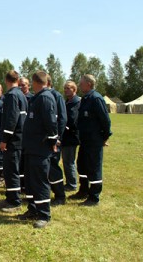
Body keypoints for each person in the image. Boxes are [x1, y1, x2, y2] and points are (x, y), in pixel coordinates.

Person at [19, 71, 58, 229]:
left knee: (40, 182)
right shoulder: (37, 98)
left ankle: (44, 215)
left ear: (35, 82)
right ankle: (33, 209)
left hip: (40, 149)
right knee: (30, 181)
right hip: (31, 148)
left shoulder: (46, 98)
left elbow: (51, 123)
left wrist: (52, 141)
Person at [71, 74, 112, 206]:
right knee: (82, 165)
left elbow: (105, 120)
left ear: (89, 84)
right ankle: (84, 190)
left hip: (94, 140)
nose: (79, 85)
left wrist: (103, 137)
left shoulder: (96, 98)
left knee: (94, 168)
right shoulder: (85, 98)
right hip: (84, 139)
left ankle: (94, 197)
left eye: (81, 83)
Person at [0, 70, 28, 212]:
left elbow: (11, 119)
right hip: (21, 138)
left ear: (6, 80)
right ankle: (12, 197)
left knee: (11, 171)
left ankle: (14, 201)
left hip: (13, 140)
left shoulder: (11, 95)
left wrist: (5, 139)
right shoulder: (21, 95)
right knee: (16, 170)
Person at [47, 75, 68, 206]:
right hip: (44, 140)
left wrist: (57, 137)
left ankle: (60, 195)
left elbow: (62, 119)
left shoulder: (56, 96)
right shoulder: (40, 95)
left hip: (53, 140)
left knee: (53, 167)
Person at [62, 81, 80, 191]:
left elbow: (74, 119)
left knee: (69, 161)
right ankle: (69, 182)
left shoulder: (77, 102)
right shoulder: (67, 102)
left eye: (68, 88)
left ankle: (72, 184)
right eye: (65, 88)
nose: (66, 90)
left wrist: (68, 126)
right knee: (66, 160)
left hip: (72, 136)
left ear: (74, 89)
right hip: (66, 135)